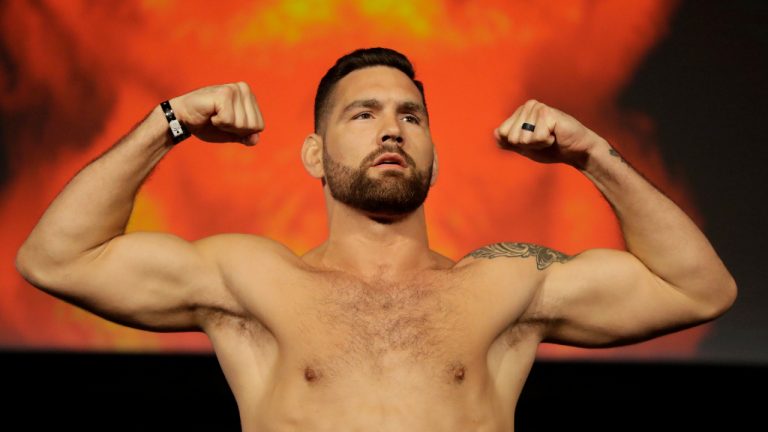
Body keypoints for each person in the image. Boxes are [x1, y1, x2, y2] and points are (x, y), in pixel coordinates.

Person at [15, 47, 736, 431]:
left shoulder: (500, 285)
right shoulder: (254, 282)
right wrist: (168, 122)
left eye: (410, 116)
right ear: (313, 157)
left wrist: (590, 154)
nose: (392, 127)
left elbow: (699, 288)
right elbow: (55, 258)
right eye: (362, 114)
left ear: (433, 155)